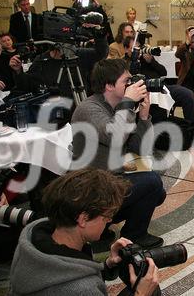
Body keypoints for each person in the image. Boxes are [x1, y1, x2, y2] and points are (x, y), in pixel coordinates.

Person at [9, 169, 160, 296]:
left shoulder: (31, 237)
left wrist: (107, 265)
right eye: (107, 216)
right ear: (83, 219)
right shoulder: (84, 289)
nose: (109, 221)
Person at [71, 58, 166, 248]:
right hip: (89, 189)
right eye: (126, 82)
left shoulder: (119, 107)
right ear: (109, 86)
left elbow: (141, 150)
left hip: (109, 178)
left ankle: (115, 228)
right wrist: (129, 103)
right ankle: (113, 228)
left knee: (157, 191)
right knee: (151, 183)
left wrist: (144, 118)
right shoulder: (89, 109)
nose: (132, 86)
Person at [121, 36, 194, 126]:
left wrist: (151, 61)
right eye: (134, 49)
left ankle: (193, 128)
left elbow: (163, 72)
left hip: (161, 87)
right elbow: (130, 78)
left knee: (187, 94)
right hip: (145, 92)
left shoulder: (146, 58)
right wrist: (135, 60)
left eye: (139, 48)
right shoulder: (124, 62)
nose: (138, 51)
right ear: (126, 49)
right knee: (157, 109)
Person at [27, 25, 108, 97]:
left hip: (79, 103)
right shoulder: (42, 60)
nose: (72, 46)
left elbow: (101, 54)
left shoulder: (80, 54)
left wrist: (99, 35)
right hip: (54, 107)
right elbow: (29, 84)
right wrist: (18, 71)